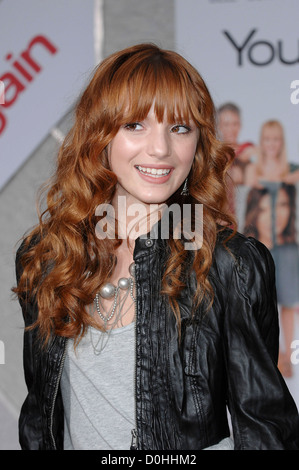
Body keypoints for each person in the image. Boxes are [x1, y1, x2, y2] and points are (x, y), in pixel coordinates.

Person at [13, 43, 299, 451]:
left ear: (198, 142)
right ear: (100, 133)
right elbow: (40, 421)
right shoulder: (48, 257)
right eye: (135, 125)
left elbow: (266, 431)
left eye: (180, 128)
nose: (161, 149)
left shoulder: (230, 265)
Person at [243, 183, 299, 378]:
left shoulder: (291, 251)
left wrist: (289, 355)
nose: (275, 216)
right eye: (265, 209)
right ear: (255, 212)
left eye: (281, 205)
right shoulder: (244, 254)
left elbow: (289, 305)